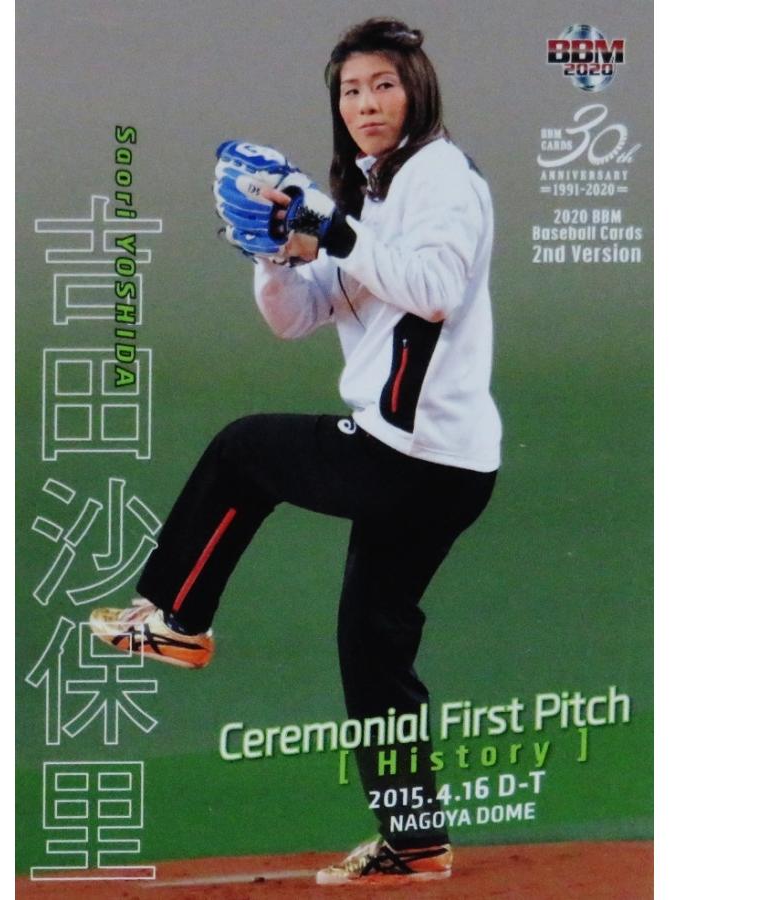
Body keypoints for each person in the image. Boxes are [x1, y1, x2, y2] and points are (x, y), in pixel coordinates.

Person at [90, 17, 502, 886]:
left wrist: (332, 227)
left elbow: (434, 289)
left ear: (418, 90)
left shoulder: (439, 178)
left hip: (417, 454)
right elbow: (296, 318)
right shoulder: (369, 194)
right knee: (372, 645)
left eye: (383, 84)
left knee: (245, 450)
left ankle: (176, 618)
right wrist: (272, 250)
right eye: (351, 90)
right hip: (436, 460)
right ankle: (415, 839)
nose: (366, 103)